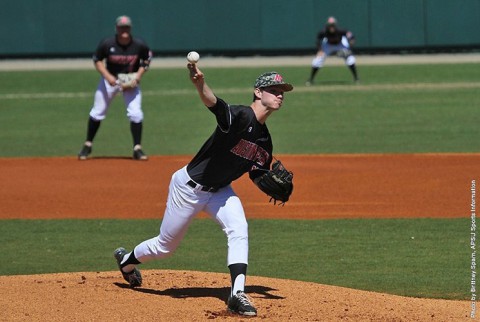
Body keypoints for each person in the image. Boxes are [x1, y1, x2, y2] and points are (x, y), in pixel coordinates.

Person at [113, 64, 294, 317]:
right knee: (165, 247)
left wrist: (272, 185)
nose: (280, 94)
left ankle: (237, 294)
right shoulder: (241, 116)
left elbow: (257, 173)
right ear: (258, 92)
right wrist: (199, 83)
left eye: (282, 91)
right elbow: (215, 104)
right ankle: (126, 262)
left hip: (220, 191)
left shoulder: (265, 140)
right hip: (188, 188)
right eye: (274, 89)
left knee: (239, 229)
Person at [78, 15, 153, 160]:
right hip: (110, 81)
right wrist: (108, 77)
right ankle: (87, 145)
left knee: (136, 113)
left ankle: (137, 148)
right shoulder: (107, 43)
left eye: (126, 27)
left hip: (131, 82)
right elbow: (97, 60)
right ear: (116, 28)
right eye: (121, 27)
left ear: (130, 29)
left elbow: (147, 60)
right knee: (97, 112)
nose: (124, 30)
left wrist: (138, 76)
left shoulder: (139, 44)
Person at [306, 16, 358, 85]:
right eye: (330, 25)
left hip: (340, 44)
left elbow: (351, 36)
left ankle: (356, 78)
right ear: (327, 25)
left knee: (350, 59)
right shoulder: (324, 32)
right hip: (328, 45)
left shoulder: (341, 31)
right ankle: (311, 79)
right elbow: (318, 39)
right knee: (317, 60)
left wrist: (350, 46)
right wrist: (320, 50)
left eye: (333, 25)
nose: (331, 27)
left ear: (335, 25)